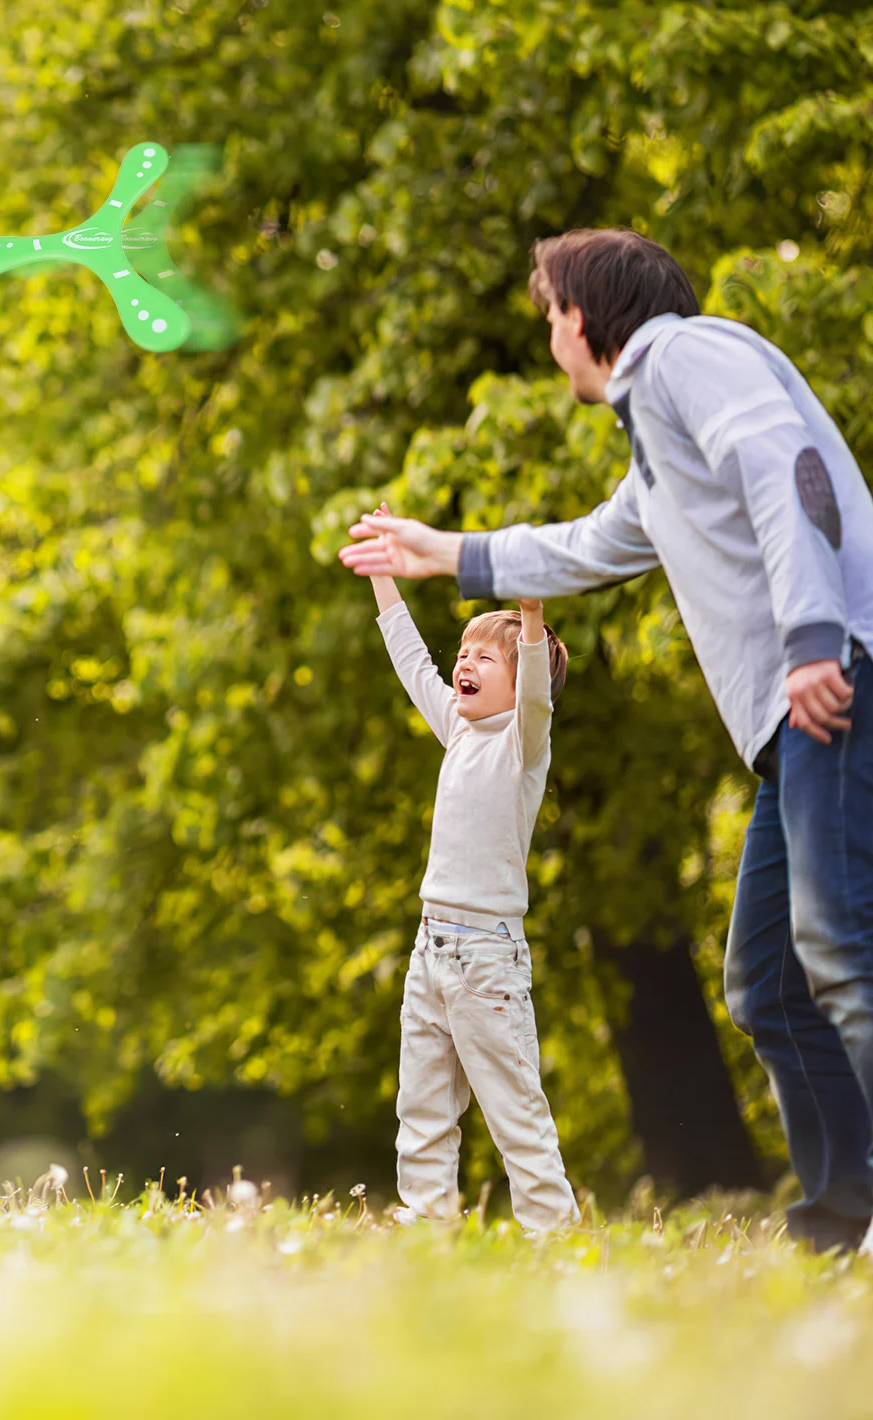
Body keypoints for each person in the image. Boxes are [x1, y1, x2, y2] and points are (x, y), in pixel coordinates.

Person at [341, 228, 873, 1254]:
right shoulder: (658, 442)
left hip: (834, 675)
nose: (548, 339)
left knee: (842, 953)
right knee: (766, 981)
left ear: (580, 319)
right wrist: (439, 551)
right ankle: (841, 1223)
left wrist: (812, 634)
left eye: (547, 319)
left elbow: (786, 463)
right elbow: (587, 545)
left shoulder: (686, 354)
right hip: (785, 725)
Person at [354, 519, 576, 1231]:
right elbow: (412, 660)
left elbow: (536, 693)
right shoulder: (457, 727)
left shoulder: (522, 745)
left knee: (515, 1110)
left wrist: (533, 614)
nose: (466, 663)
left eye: (487, 656)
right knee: (420, 1103)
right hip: (431, 951)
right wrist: (384, 577)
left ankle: (554, 1237)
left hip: (487, 958)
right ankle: (427, 1224)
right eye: (466, 652)